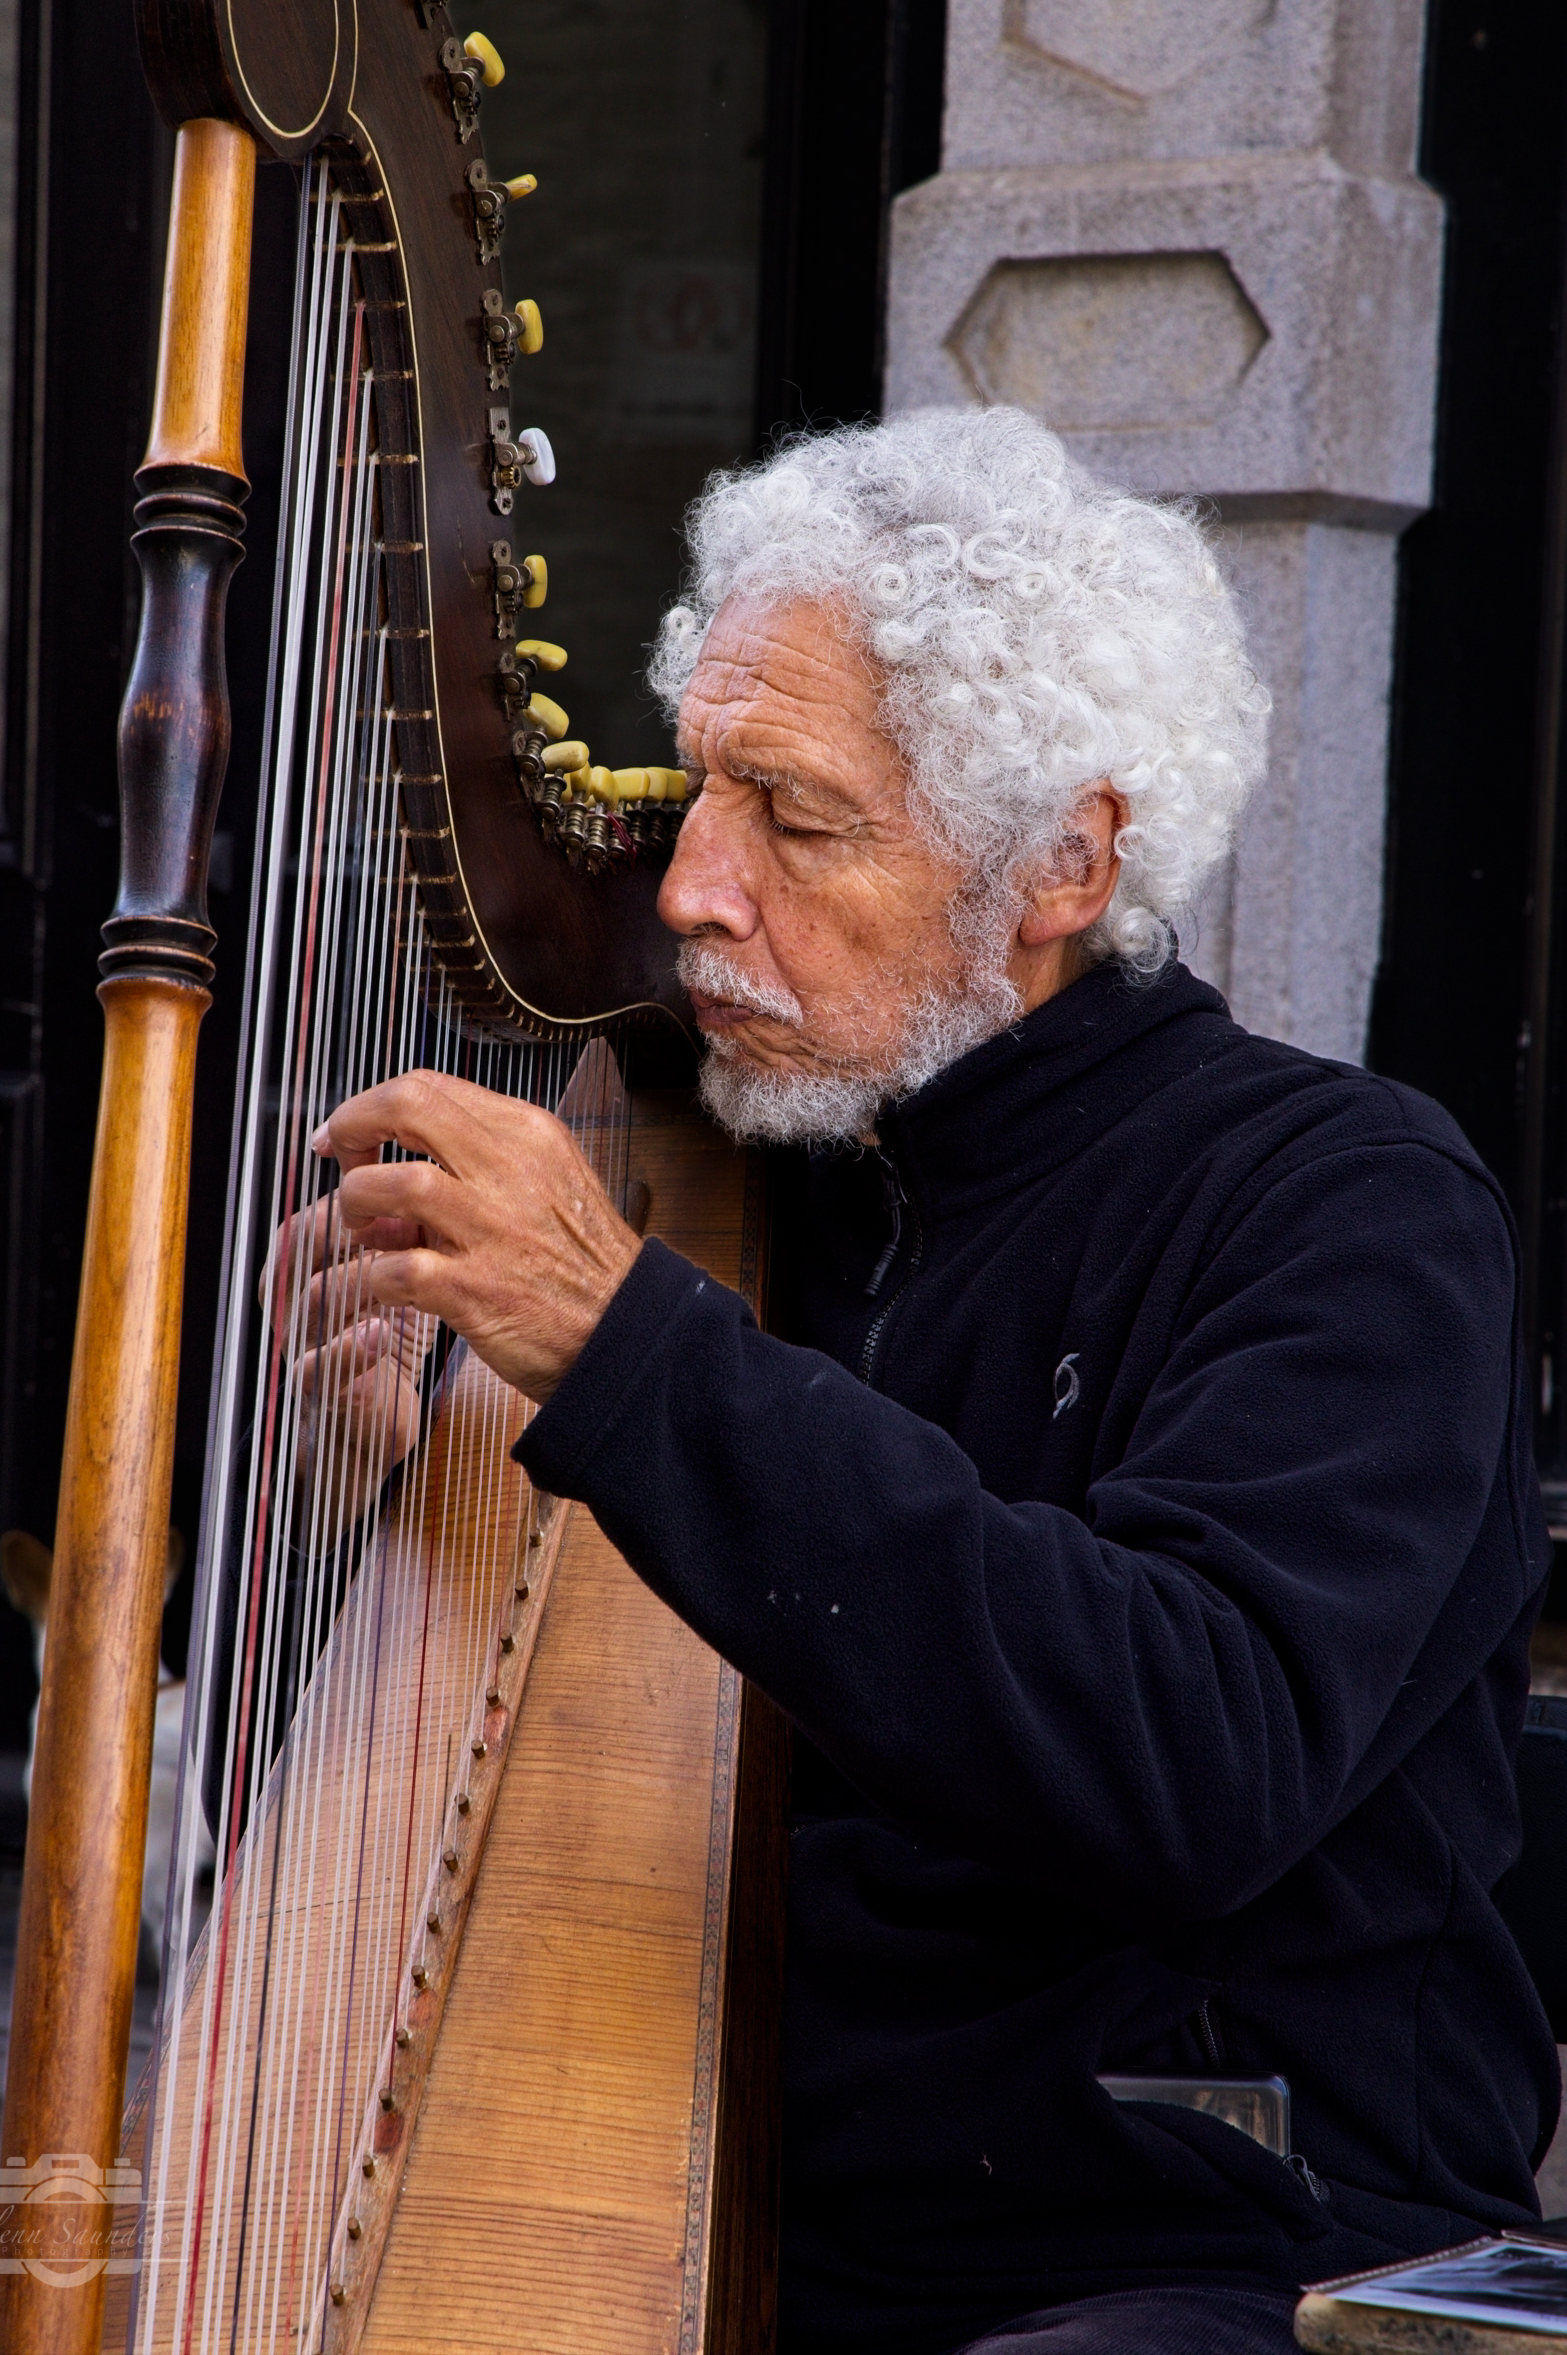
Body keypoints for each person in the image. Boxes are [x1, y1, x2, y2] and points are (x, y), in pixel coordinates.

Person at [299, 407, 1557, 2355]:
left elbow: (1188, 1749)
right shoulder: (775, 1169)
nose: (695, 886)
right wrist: (430, 1476)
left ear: (1063, 861)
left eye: (796, 819)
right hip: (801, 2210)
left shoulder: (1349, 1206)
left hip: (1217, 2241)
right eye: (701, 787)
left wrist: (627, 1349)